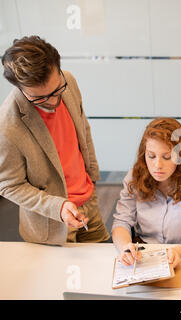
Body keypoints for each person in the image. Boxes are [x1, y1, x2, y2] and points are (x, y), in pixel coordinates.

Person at [0, 35, 110, 244]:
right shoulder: (7, 125)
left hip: (88, 198)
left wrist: (92, 177)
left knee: (102, 265)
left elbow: (83, 130)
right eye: (39, 98)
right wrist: (58, 207)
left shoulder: (68, 81)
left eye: (56, 90)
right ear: (19, 88)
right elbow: (9, 185)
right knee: (65, 275)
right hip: (51, 222)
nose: (52, 101)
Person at [111, 118, 181, 268]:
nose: (157, 165)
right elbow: (122, 222)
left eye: (167, 157)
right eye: (151, 156)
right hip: (145, 255)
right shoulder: (134, 178)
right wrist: (126, 247)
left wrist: (180, 250)